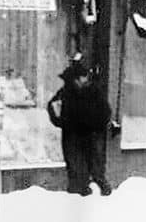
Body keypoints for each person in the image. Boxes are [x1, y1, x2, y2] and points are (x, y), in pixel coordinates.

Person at [48, 60, 112, 196]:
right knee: (77, 173)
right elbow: (55, 112)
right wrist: (60, 118)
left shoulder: (94, 92)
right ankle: (80, 193)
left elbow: (105, 113)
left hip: (91, 137)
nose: (85, 79)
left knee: (96, 170)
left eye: (85, 76)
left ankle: (99, 194)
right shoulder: (64, 94)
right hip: (72, 139)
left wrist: (93, 124)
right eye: (82, 77)